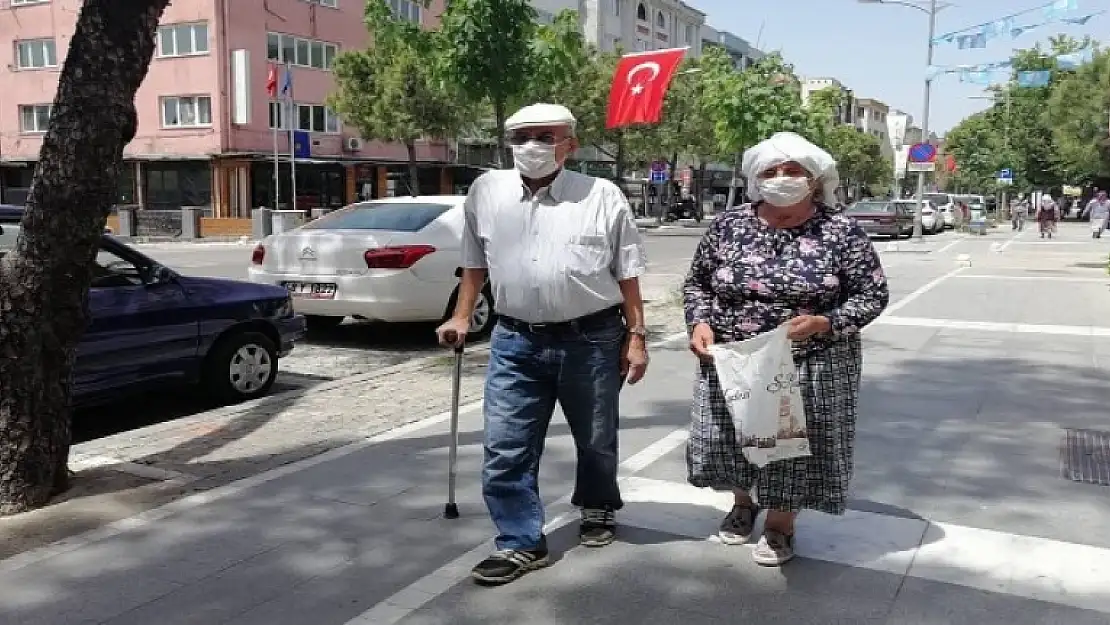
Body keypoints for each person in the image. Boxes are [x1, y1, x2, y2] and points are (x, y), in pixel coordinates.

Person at [436, 103, 650, 586]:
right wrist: (462, 314)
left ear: (570, 143)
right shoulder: (486, 191)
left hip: (592, 337)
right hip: (515, 339)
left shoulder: (601, 194)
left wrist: (636, 336)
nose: (532, 146)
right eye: (522, 136)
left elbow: (629, 270)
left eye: (545, 135)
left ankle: (597, 504)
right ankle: (519, 541)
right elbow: (475, 261)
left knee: (595, 437)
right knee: (506, 445)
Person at [683, 132, 889, 567]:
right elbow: (698, 283)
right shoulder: (728, 226)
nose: (781, 178)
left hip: (810, 362)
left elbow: (872, 294)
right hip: (734, 359)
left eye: (792, 170)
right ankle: (743, 503)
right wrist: (699, 322)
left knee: (792, 446)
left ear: (813, 180)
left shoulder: (841, 232)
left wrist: (826, 322)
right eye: (770, 172)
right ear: (756, 179)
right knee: (731, 438)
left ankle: (781, 525)